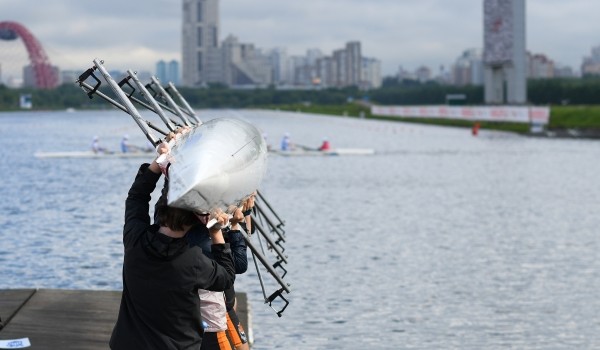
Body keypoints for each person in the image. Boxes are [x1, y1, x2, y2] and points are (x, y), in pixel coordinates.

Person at [109, 142, 236, 350]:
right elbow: (226, 277)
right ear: (197, 220)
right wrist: (215, 232)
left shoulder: (135, 239)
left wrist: (159, 164)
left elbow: (137, 197)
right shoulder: (194, 261)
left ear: (163, 208)